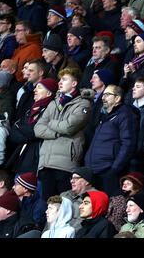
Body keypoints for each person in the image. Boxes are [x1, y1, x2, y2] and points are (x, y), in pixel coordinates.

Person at [34, 67, 92, 201]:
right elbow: (38, 129)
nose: (60, 82)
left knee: (64, 204)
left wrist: (51, 123)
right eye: (60, 79)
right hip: (45, 163)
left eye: (64, 79)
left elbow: (68, 127)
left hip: (65, 165)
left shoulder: (83, 103)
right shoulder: (54, 103)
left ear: (74, 83)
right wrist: (56, 133)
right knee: (48, 205)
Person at [84, 84, 140, 197]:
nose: (103, 98)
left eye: (108, 95)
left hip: (109, 172)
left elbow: (128, 144)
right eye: (103, 95)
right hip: (95, 171)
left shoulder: (125, 114)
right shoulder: (104, 117)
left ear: (118, 98)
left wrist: (115, 168)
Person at [6, 78, 58, 176]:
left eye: (40, 88)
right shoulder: (32, 109)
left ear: (49, 93)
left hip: (35, 159)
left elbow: (33, 132)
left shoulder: (51, 110)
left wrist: (21, 130)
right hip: (22, 156)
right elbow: (13, 133)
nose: (35, 90)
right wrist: (25, 135)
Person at [60, 167, 98, 232]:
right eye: (71, 178)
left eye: (76, 178)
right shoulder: (64, 195)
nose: (71, 181)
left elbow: (83, 222)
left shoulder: (95, 197)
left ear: (87, 181)